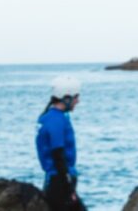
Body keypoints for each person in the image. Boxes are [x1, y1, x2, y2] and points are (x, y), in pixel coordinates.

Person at [36, 75, 87, 210]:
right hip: (59, 182)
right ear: (66, 98)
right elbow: (58, 154)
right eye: (76, 97)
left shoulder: (49, 117)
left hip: (56, 180)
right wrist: (68, 187)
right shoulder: (56, 120)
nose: (78, 101)